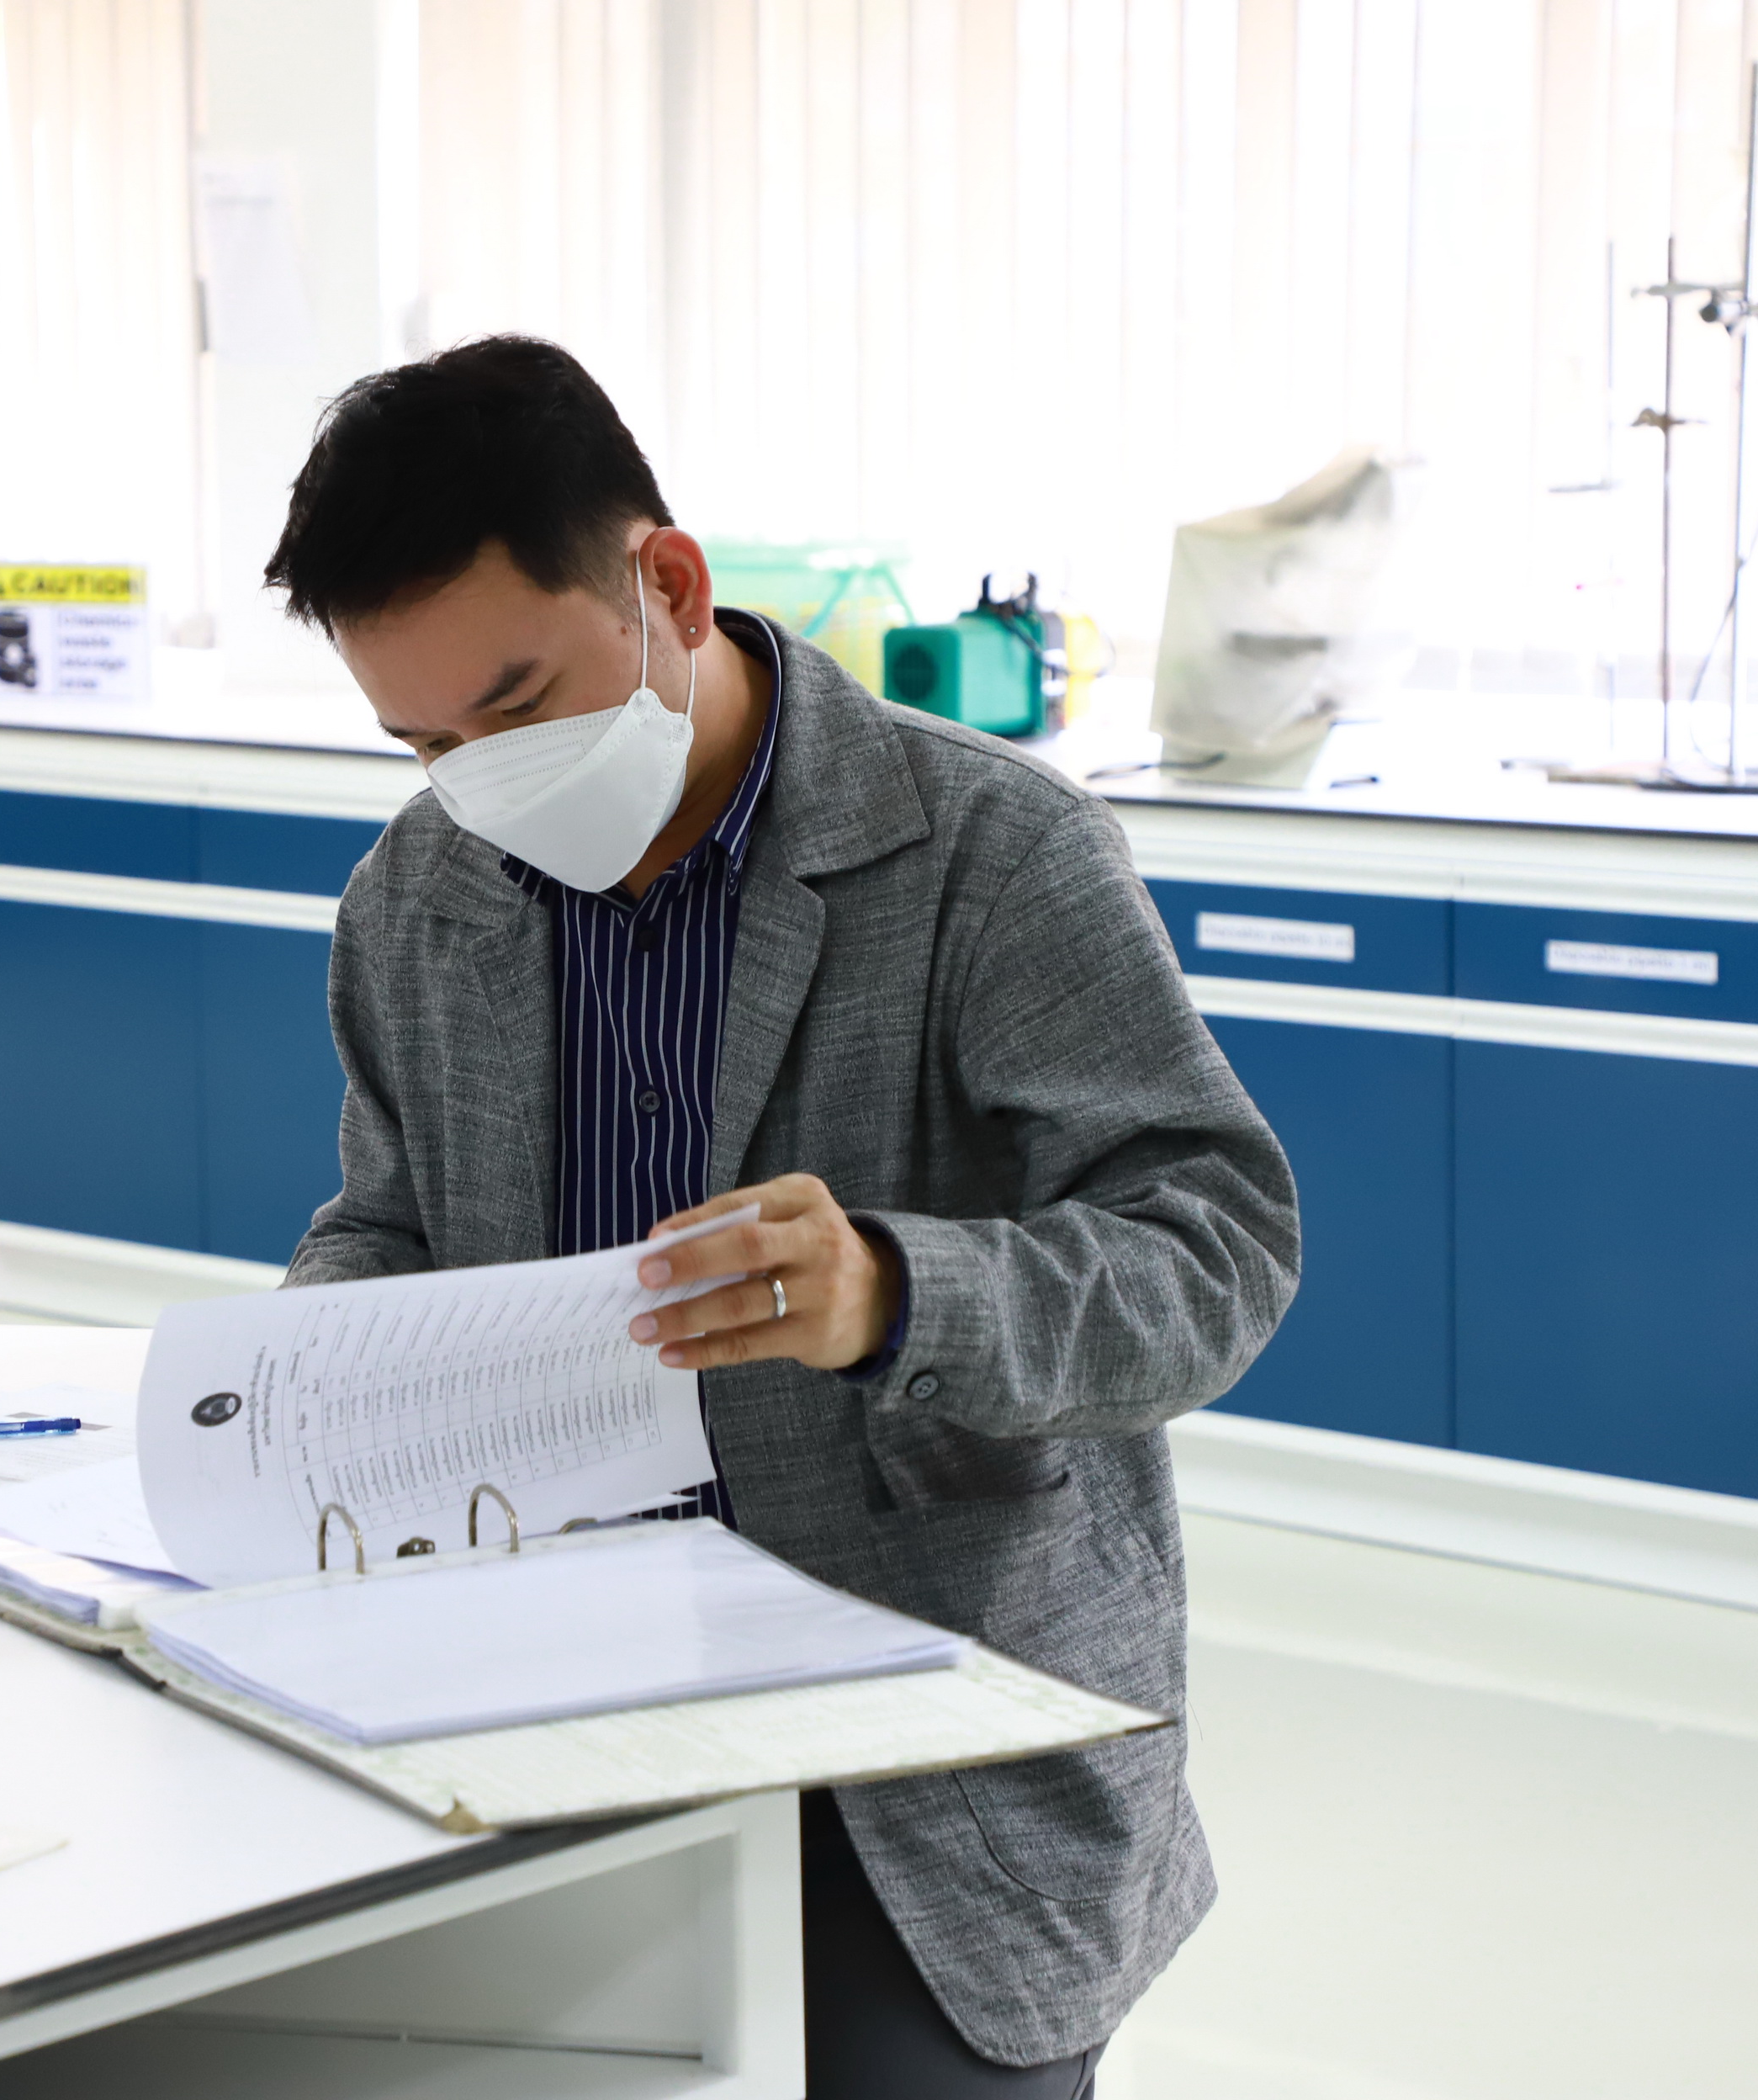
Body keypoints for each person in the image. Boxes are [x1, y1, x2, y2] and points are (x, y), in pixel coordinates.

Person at [263, 335, 1300, 2097]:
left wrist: (893, 1291)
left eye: (516, 707)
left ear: (668, 586)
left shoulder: (991, 852)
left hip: (923, 1757)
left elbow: (1213, 1251)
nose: (476, 778)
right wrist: (313, 1359)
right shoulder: (421, 893)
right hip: (546, 1699)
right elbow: (390, 1220)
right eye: (424, 742)